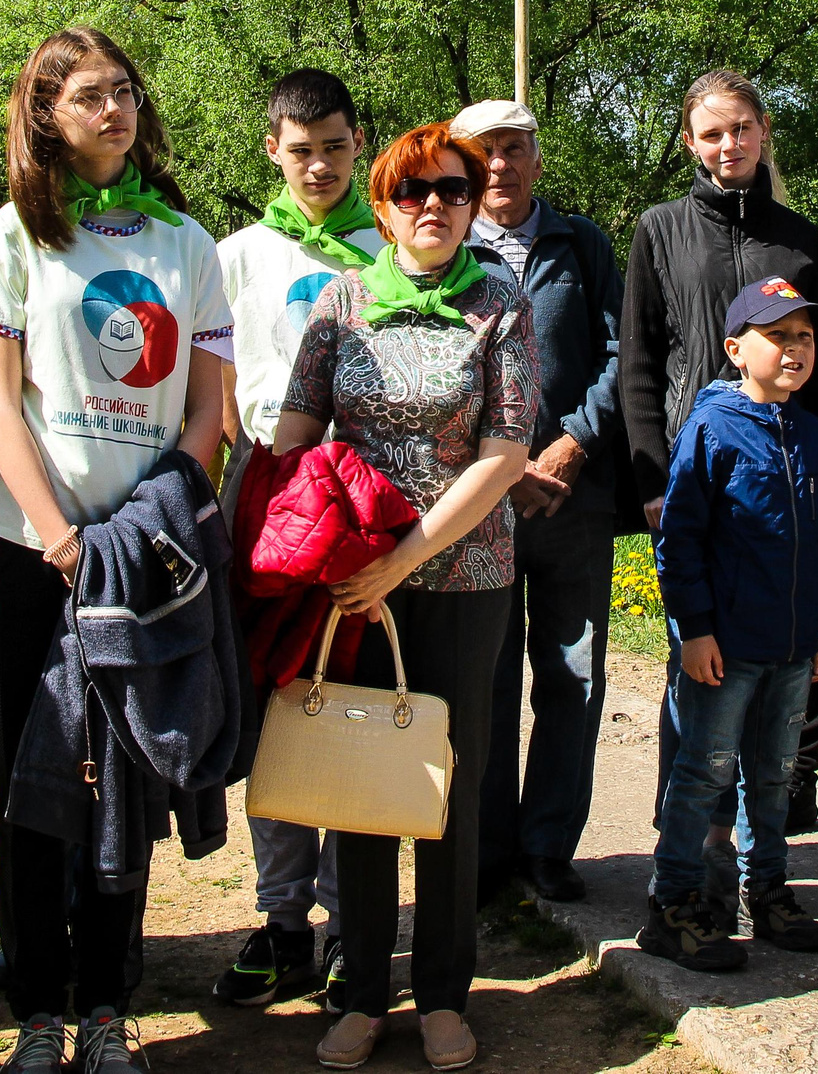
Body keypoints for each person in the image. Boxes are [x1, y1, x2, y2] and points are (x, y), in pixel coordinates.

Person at [0, 29, 232, 1074]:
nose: (112, 110)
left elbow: (210, 412)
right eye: (87, 97)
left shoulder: (187, 243)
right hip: (34, 553)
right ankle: (37, 1006)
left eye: (122, 91)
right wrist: (56, 532)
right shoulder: (16, 236)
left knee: (124, 781)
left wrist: (137, 530)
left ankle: (109, 1006)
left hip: (144, 557)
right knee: (34, 784)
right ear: (47, 116)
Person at [273, 122, 535, 1072]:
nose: (436, 206)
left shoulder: (498, 302)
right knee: (363, 784)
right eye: (416, 191)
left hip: (465, 578)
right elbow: (299, 421)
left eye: (456, 192)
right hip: (353, 582)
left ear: (473, 206)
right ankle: (359, 994)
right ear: (381, 204)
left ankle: (444, 994)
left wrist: (408, 553)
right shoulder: (342, 301)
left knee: (446, 788)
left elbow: (507, 450)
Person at [619, 71, 818, 920]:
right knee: (702, 688)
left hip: (787, 487)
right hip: (694, 476)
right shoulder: (661, 230)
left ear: (763, 131)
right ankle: (694, 867)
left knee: (773, 703)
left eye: (742, 128)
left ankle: (759, 870)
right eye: (712, 133)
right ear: (690, 142)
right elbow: (639, 363)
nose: (729, 146)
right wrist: (649, 481)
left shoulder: (798, 237)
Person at [210, 68, 379, 1012]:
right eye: (300, 148)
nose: (318, 165)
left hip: (362, 503)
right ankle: (283, 925)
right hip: (271, 496)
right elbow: (221, 374)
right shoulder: (238, 253)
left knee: (350, 703)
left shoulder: (386, 240)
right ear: (272, 148)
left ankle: (353, 925)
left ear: (359, 143)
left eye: (335, 146)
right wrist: (257, 468)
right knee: (279, 701)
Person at [452, 97, 625, 909]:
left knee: (572, 674)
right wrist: (502, 464)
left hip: (573, 502)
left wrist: (572, 443)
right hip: (479, 506)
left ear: (537, 160)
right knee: (482, 680)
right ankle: (481, 854)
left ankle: (548, 846)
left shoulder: (582, 243)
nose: (499, 165)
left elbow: (624, 353)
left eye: (514, 148)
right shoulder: (444, 247)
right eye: (484, 151)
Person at [638, 277, 818, 973]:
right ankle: (674, 904)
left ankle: (769, 890)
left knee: (775, 773)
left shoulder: (814, 434)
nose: (794, 348)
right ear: (734, 347)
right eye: (777, 335)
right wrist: (693, 629)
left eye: (804, 337)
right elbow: (680, 539)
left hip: (789, 649)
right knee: (704, 771)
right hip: (723, 647)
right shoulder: (712, 427)